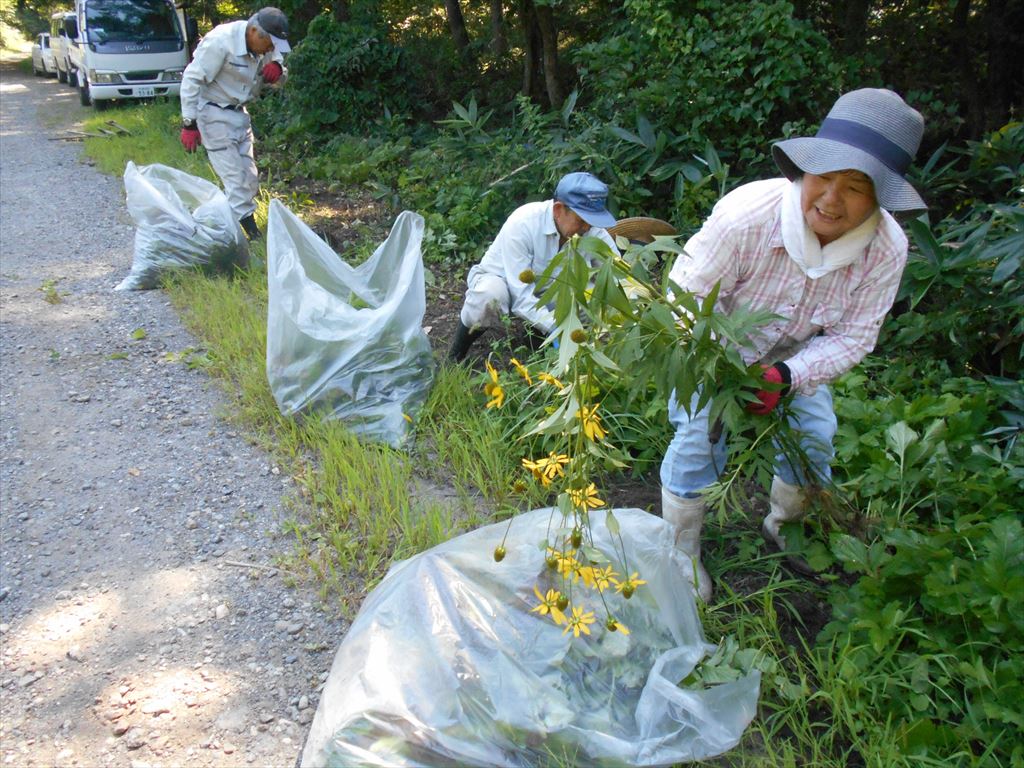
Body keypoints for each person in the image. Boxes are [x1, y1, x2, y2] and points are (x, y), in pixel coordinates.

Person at [659, 88, 926, 601]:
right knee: (699, 444)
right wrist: (727, 376)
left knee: (815, 438)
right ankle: (680, 552)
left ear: (880, 198)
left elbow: (854, 337)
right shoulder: (746, 218)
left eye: (854, 187)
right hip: (712, 353)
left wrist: (786, 379)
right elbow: (684, 301)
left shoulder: (886, 250)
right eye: (823, 177)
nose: (830, 199)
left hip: (795, 360)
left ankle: (787, 527)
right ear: (805, 169)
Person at [448, 172, 620, 361]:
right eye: (581, 220)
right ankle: (456, 354)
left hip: (550, 289)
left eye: (592, 222)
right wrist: (560, 330)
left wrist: (633, 309)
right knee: (489, 296)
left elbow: (618, 276)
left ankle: (539, 340)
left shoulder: (593, 231)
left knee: (590, 296)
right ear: (558, 209)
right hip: (503, 282)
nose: (587, 228)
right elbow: (521, 295)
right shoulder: (524, 223)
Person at [179, 7, 290, 240]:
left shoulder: (265, 46)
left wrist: (278, 68)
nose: (271, 50)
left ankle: (214, 226)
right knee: (235, 181)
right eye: (269, 44)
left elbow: (279, 73)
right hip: (214, 114)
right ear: (253, 32)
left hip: (241, 115)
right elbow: (192, 78)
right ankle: (251, 237)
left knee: (250, 180)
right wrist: (189, 123)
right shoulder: (221, 42)